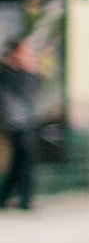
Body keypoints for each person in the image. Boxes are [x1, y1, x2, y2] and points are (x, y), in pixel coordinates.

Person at [0, 38, 44, 212]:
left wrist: (32, 70)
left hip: (27, 121)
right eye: (25, 52)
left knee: (21, 161)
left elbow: (36, 88)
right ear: (15, 55)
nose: (29, 55)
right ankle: (25, 199)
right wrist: (29, 70)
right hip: (16, 122)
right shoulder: (6, 73)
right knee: (24, 159)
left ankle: (7, 197)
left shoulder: (23, 73)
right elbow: (23, 90)